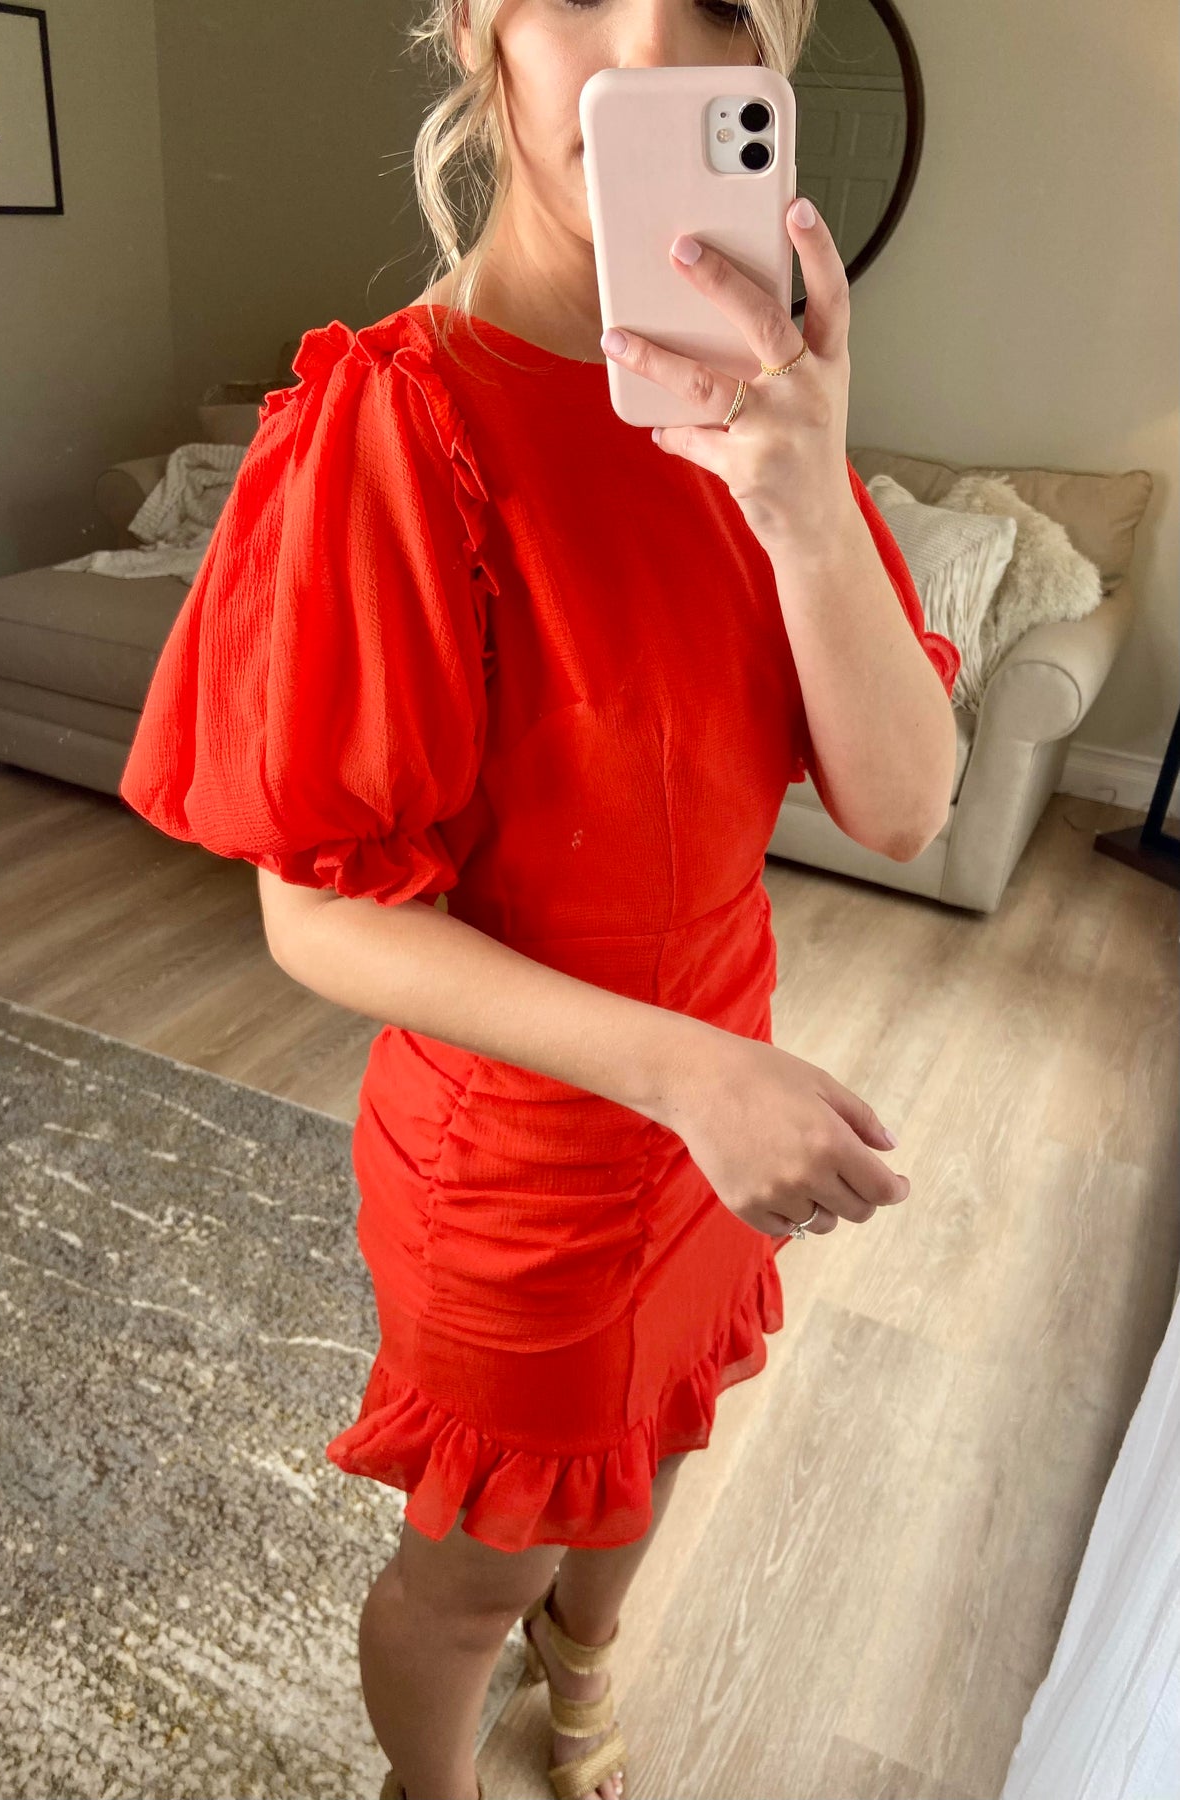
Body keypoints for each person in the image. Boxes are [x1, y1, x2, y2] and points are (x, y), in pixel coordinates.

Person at [118, 3, 961, 1798]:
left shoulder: (760, 418)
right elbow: (313, 912)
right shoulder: (392, 424)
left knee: (655, 1444)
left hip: (719, 1106)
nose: (646, 53)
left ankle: (582, 1684)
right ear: (473, 33)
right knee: (470, 1574)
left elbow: (905, 807)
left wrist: (808, 500)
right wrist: (687, 1073)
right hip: (519, 1165)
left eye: (712, 1)